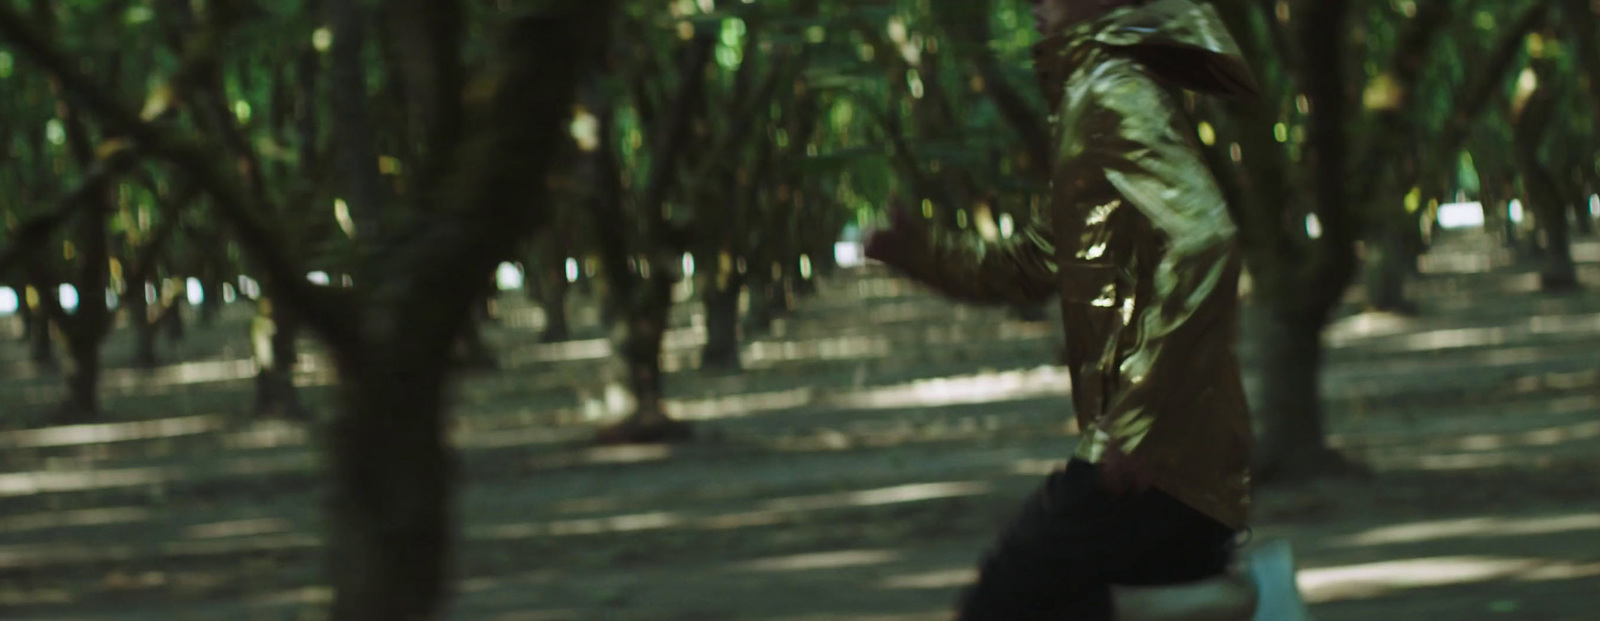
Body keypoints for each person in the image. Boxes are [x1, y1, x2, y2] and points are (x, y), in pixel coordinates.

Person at [864, 0, 1314, 619]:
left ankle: (1239, 602)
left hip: (1165, 448)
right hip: (1181, 446)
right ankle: (1224, 602)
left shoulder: (1114, 89)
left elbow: (1204, 239)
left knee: (1008, 603)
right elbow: (1034, 261)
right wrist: (922, 254)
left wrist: (1138, 419)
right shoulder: (1097, 93)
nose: (1033, 5)